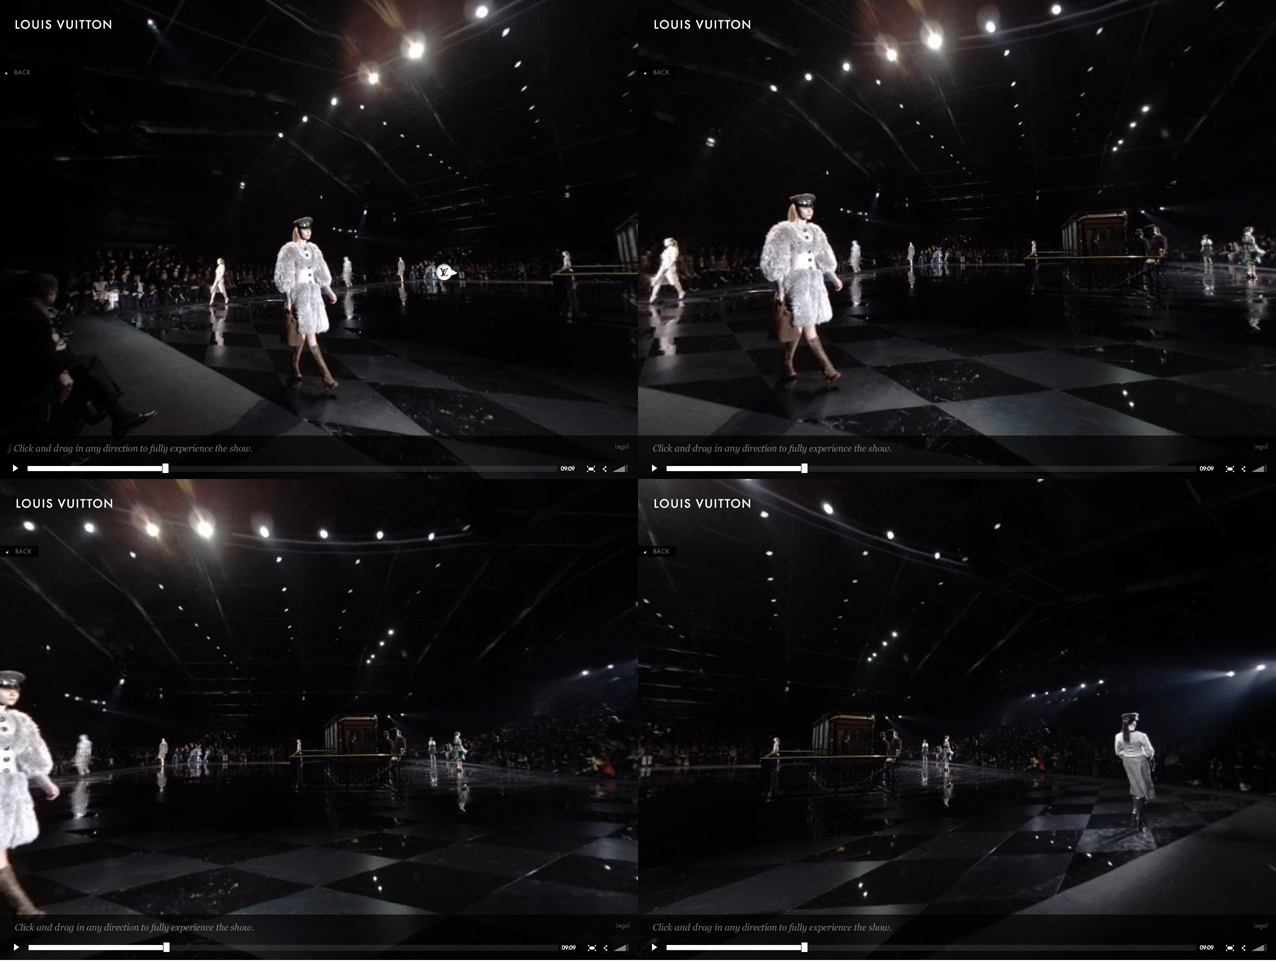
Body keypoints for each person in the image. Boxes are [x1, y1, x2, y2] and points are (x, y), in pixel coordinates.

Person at [2, 271, 156, 438]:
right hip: (31, 381)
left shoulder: (23, 310)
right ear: (47, 293)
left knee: (87, 367)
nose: (56, 294)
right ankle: (114, 416)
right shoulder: (30, 316)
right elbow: (35, 354)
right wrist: (61, 371)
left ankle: (113, 415)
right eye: (54, 291)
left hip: (33, 373)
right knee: (87, 370)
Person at [761, 192, 844, 382]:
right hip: (796, 282)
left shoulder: (816, 231)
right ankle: (828, 369)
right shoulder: (783, 230)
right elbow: (777, 260)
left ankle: (787, 364)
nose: (809, 210)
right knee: (808, 328)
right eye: (805, 206)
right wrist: (781, 288)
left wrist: (833, 277)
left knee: (800, 327)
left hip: (814, 283)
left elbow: (823, 255)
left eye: (811, 207)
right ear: (796, 208)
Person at [0, 670, 60, 916]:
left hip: (9, 793)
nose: (13, 692)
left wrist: (45, 783)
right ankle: (23, 907)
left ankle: (23, 907)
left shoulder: (21, 721)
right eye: (5, 687)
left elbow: (29, 758)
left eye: (15, 688)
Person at [274, 216, 340, 389]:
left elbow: (320, 272)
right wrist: (288, 300)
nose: (308, 231)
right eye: (305, 229)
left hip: (314, 295)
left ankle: (294, 366)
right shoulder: (289, 249)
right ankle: (327, 377)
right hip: (300, 295)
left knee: (304, 335)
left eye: (310, 228)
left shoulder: (314, 249)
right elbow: (286, 276)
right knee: (310, 336)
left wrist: (329, 291)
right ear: (298, 230)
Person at [1115, 711, 1155, 830]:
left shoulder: (1118, 736)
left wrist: (1127, 756)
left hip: (1127, 761)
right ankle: (1139, 815)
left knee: (1135, 785)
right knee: (1142, 786)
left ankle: (1135, 810)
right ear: (1133, 722)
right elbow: (1149, 751)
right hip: (1140, 761)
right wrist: (1143, 756)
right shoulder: (1141, 735)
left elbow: (1118, 752)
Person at [649, 237, 685, 302]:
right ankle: (653, 295)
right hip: (663, 266)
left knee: (674, 281)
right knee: (657, 280)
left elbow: (673, 259)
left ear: (670, 242)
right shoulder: (666, 250)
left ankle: (681, 291)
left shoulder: (674, 249)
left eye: (666, 241)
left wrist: (668, 267)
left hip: (669, 267)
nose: (664, 243)